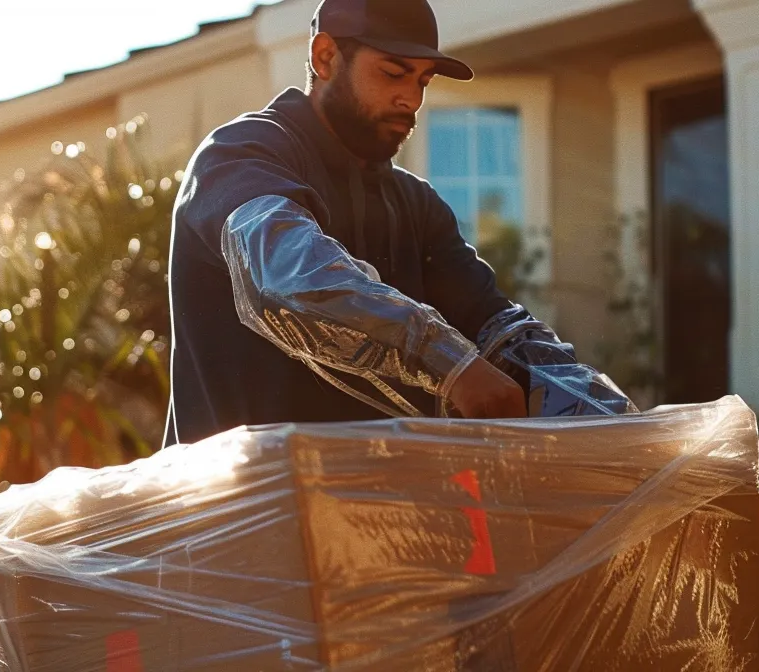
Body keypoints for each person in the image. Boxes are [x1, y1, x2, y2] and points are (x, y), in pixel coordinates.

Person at [163, 0, 547, 446]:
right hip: (236, 503)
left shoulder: (415, 204)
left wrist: (617, 426)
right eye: (393, 72)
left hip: (379, 508)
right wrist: (450, 362)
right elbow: (288, 278)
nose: (413, 99)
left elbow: (500, 331)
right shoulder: (242, 156)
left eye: (423, 80)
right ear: (325, 56)